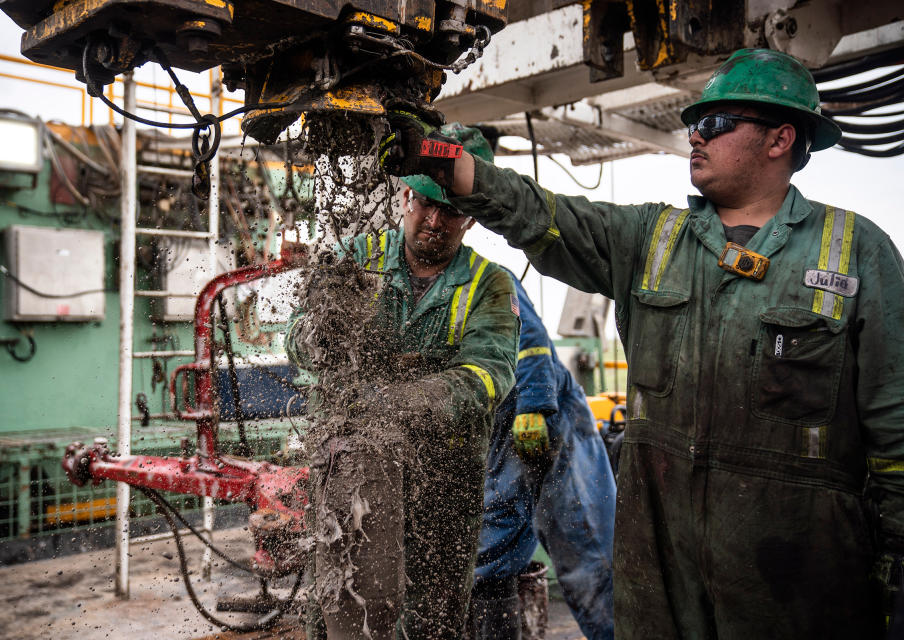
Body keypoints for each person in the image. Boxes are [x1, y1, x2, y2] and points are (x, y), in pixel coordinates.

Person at [381, 48, 904, 638]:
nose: (694, 135)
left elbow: (895, 432)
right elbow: (540, 213)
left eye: (714, 123)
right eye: (692, 123)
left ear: (780, 138)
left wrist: (894, 571)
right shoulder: (651, 239)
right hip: (659, 563)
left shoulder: (857, 254)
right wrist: (441, 159)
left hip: (794, 575)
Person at [285, 124, 520, 639]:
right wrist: (317, 335)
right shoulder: (356, 257)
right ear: (404, 196)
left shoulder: (489, 285)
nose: (435, 220)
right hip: (352, 470)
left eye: (452, 210)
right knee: (338, 603)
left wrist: (395, 402)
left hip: (444, 481)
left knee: (433, 618)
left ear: (472, 217)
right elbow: (295, 338)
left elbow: (487, 377)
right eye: (424, 204)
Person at [472, 269, 616, 640]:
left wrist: (535, 406)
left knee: (585, 548)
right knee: (489, 554)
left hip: (547, 418)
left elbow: (531, 338)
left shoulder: (486, 277)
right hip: (496, 429)